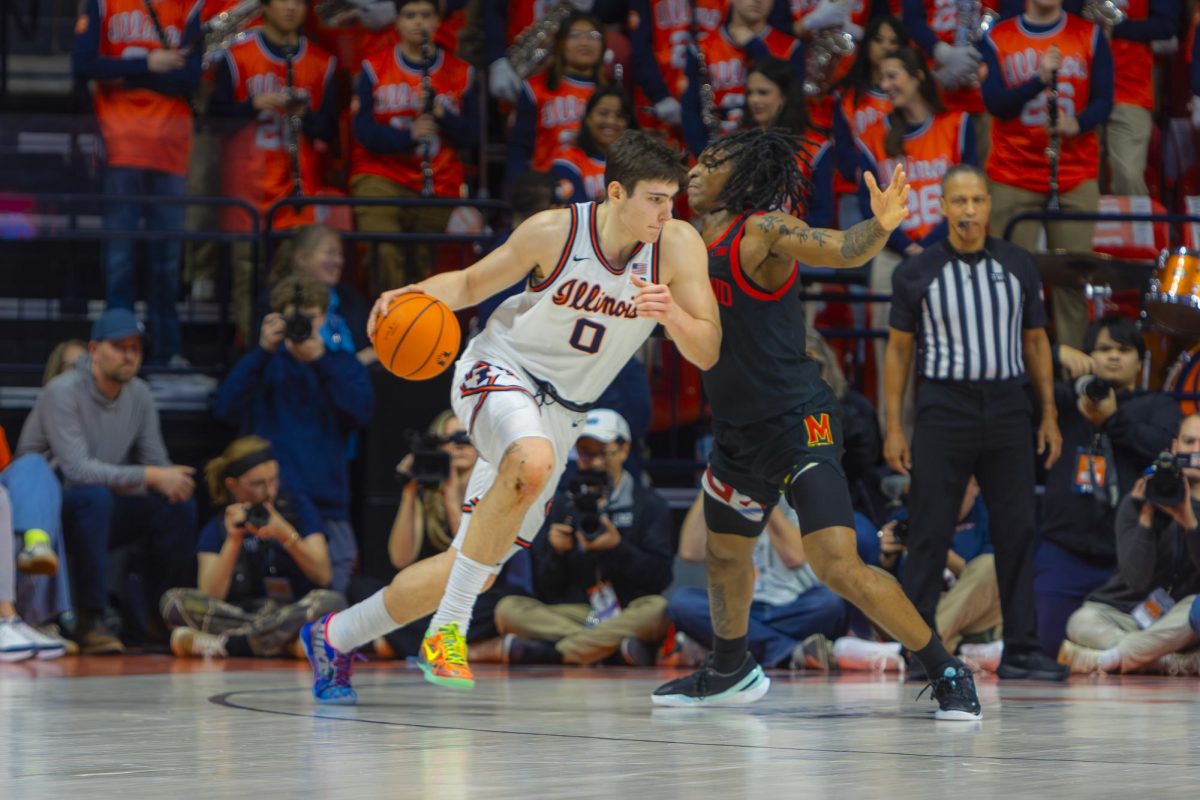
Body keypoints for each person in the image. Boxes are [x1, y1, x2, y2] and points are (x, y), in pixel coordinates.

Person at [299, 129, 721, 704]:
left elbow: (708, 349)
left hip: (564, 413)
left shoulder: (677, 246)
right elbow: (471, 284)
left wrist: (673, 316)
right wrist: (411, 293)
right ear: (616, 192)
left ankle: (334, 635)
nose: (666, 213)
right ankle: (447, 631)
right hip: (501, 370)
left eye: (671, 199)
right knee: (532, 461)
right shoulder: (554, 231)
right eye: (654, 199)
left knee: (472, 565)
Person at [657, 127, 983, 720]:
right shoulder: (684, 240)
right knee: (725, 555)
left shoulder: (763, 229)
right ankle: (729, 667)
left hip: (797, 421)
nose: (694, 171)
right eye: (696, 162)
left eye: (711, 163)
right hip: (737, 430)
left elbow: (841, 247)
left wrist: (879, 226)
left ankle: (945, 668)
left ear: (743, 175)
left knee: (837, 564)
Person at [883, 164, 1067, 680]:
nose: (969, 210)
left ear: (989, 205)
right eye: (959, 201)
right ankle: (921, 651)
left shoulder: (1018, 263)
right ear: (943, 207)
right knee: (928, 530)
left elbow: (1036, 341)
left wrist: (1049, 414)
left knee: (1017, 529)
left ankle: (1022, 650)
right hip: (944, 406)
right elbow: (898, 353)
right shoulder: (915, 272)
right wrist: (894, 427)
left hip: (1008, 404)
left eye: (978, 200)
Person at [16, 309, 198, 653]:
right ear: (94, 350)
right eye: (120, 347)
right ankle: (91, 618)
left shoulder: (140, 394)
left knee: (176, 506)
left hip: (101, 501)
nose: (130, 356)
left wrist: (171, 480)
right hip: (47, 508)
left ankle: (162, 616)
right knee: (93, 497)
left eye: (136, 348)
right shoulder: (62, 390)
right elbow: (77, 472)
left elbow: (156, 463)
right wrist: (151, 476)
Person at [213, 275, 374, 596]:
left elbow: (362, 413)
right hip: (268, 506)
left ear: (324, 318)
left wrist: (321, 360)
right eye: (293, 318)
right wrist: (262, 351)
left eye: (309, 317)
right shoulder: (262, 364)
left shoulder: (341, 364)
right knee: (259, 601)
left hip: (325, 507)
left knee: (331, 604)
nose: (301, 325)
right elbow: (225, 409)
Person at [1033, 315, 1181, 653]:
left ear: (1140, 363)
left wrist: (1113, 420)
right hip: (1063, 552)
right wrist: (1051, 355)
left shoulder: (1157, 405)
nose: (1113, 356)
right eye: (1103, 349)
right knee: (1048, 651)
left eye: (1124, 350)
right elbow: (1011, 387)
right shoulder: (1061, 402)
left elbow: (1164, 448)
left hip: (1130, 564)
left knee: (1129, 652)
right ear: (1086, 357)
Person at [72, 0, 203, 365]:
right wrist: (149, 64)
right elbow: (83, 65)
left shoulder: (189, 6)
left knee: (167, 259)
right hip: (120, 144)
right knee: (120, 258)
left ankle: (166, 352)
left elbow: (189, 77)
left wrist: (124, 75)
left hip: (170, 147)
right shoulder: (104, 3)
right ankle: (118, 349)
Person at [494, 409, 675, 666]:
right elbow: (546, 589)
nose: (596, 462)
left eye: (603, 452)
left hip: (628, 610)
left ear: (624, 450)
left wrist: (618, 547)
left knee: (658, 609)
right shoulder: (560, 504)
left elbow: (660, 578)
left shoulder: (648, 504)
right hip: (579, 613)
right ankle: (610, 650)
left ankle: (556, 653)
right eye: (586, 453)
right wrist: (556, 553)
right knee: (508, 610)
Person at [981, 0, 1113, 349]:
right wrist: (1037, 80)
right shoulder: (998, 37)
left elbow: (1105, 100)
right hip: (1012, 172)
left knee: (1073, 281)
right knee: (1011, 279)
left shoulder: (1090, 35)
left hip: (1074, 173)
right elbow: (995, 103)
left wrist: (1077, 123)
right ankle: (1014, 366)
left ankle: (1075, 367)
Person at [346, 411, 526, 659]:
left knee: (507, 601)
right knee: (360, 588)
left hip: (476, 593)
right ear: (438, 446)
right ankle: (450, 646)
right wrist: (409, 493)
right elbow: (400, 559)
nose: (459, 446)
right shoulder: (428, 492)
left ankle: (398, 643)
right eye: (450, 439)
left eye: (466, 438)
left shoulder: (493, 490)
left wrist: (451, 496)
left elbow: (471, 552)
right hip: (432, 594)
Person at [209, 0, 339, 338]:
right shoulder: (237, 57)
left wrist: (304, 114)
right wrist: (253, 104)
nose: (291, 7)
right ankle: (251, 350)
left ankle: (298, 351)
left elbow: (330, 130)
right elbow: (213, 121)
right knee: (246, 283)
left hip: (298, 194)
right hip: (246, 191)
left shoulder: (321, 62)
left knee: (296, 286)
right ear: (264, 6)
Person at [160, 436, 345, 659]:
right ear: (233, 485)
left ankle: (230, 645)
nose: (269, 492)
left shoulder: (298, 508)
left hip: (293, 608)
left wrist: (285, 533)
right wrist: (233, 540)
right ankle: (282, 644)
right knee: (173, 602)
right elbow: (210, 594)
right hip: (243, 612)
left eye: (273, 480)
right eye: (257, 484)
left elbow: (323, 575)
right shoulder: (219, 526)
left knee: (332, 602)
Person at [1058, 414, 1200, 675]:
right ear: (1175, 447)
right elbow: (1136, 577)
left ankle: (1118, 657)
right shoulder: (1139, 499)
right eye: (1189, 441)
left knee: (1197, 606)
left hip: (1178, 623)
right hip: (1126, 615)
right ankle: (1160, 661)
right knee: (1081, 621)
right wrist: (1146, 518)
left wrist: (1190, 522)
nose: (1196, 451)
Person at [351, 0, 478, 291]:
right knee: (385, 250)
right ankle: (388, 316)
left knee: (424, 266)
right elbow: (363, 133)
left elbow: (472, 136)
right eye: (410, 15)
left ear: (438, 21)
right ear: (397, 21)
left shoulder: (461, 72)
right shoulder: (373, 68)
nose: (418, 22)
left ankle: (418, 319)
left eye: (425, 15)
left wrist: (441, 114)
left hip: (439, 180)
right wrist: (408, 137)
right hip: (381, 176)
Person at [671, 493, 849, 670]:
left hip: (791, 608)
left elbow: (794, 557)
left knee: (830, 603)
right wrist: (711, 485)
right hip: (737, 607)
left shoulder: (798, 493)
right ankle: (791, 652)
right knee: (683, 603)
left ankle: (723, 647)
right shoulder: (725, 494)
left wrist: (763, 496)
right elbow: (690, 552)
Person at [506, 11, 607, 188]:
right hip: (545, 188)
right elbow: (519, 148)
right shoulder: (535, 89)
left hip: (597, 188)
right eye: (575, 35)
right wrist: (520, 189)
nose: (585, 42)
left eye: (593, 36)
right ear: (560, 43)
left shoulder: (611, 94)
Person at [261, 225, 375, 365]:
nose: (338, 261)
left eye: (340, 254)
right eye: (330, 253)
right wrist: (355, 362)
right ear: (302, 258)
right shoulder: (275, 301)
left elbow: (369, 345)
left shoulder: (350, 299)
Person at [743, 57, 834, 229]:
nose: (754, 100)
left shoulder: (814, 147)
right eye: (750, 93)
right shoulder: (740, 144)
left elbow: (823, 213)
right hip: (747, 239)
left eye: (763, 92)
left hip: (797, 240)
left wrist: (786, 235)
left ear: (784, 96)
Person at [551, 85, 640, 204]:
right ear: (588, 118)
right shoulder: (568, 162)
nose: (611, 121)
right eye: (603, 113)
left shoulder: (641, 163)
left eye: (620, 116)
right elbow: (575, 211)